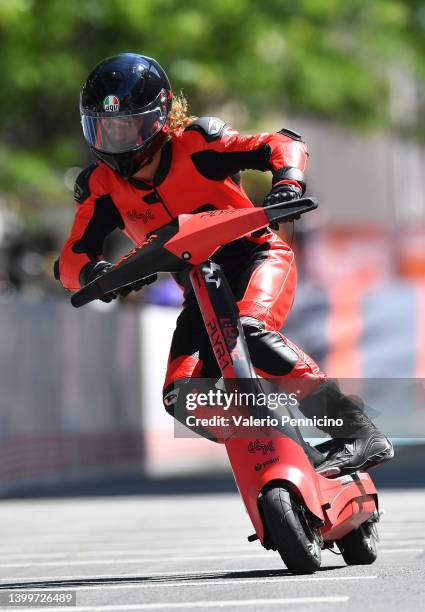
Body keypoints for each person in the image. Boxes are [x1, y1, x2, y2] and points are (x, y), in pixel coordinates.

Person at [55, 53, 394, 474]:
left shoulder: (198, 143)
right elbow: (70, 258)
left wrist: (288, 183)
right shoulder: (99, 187)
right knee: (182, 396)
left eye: (129, 126)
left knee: (248, 333)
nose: (118, 140)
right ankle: (285, 449)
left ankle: (358, 432)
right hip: (199, 288)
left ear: (159, 118)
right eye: (106, 129)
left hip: (256, 257)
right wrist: (95, 273)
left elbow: (281, 143)